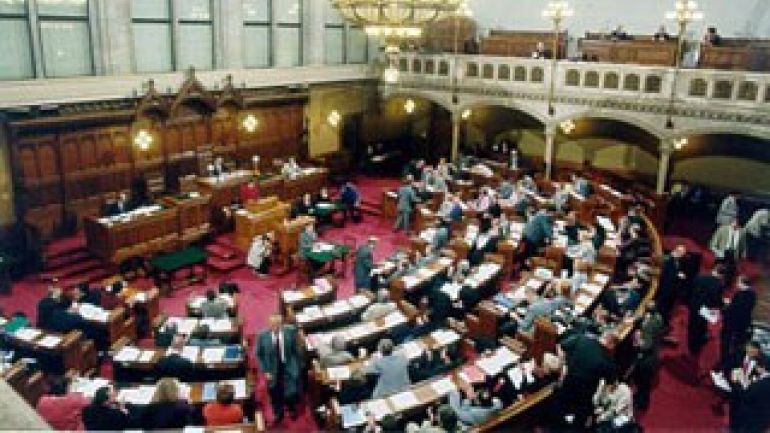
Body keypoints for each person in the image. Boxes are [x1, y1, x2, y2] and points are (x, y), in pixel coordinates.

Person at [556, 331, 618, 428]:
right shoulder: (608, 360)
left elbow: (560, 346)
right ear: (612, 344)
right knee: (577, 424)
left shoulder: (581, 338)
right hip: (584, 397)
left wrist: (563, 368)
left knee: (559, 416)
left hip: (567, 385)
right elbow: (611, 386)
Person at [255, 314, 301, 424]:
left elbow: (296, 350)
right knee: (275, 394)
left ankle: (291, 409)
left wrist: (296, 366)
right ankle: (278, 413)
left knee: (291, 392)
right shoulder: (262, 336)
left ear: (281, 324)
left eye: (278, 325)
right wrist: (265, 371)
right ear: (269, 324)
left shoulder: (290, 331)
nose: (275, 327)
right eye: (273, 325)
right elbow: (259, 355)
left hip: (288, 367)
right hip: (271, 371)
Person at [719, 275, 757, 370]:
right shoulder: (753, 294)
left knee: (726, 341)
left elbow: (733, 310)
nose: (736, 284)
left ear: (742, 283)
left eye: (738, 282)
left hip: (732, 323)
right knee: (738, 343)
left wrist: (726, 307)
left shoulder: (739, 295)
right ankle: (735, 358)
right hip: (744, 323)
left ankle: (725, 360)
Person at [632, 301, 664, 411]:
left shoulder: (650, 324)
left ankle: (642, 404)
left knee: (643, 383)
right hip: (654, 355)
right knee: (642, 383)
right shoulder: (658, 317)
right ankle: (640, 399)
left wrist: (636, 338)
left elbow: (646, 345)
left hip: (647, 359)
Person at [688, 265, 725, 354]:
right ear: (721, 275)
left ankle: (690, 344)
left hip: (694, 306)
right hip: (705, 310)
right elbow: (716, 301)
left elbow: (691, 291)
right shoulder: (718, 285)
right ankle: (697, 347)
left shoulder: (700, 277)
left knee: (692, 324)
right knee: (701, 327)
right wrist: (722, 303)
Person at [657, 244, 688, 328]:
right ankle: (660, 324)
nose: (682, 255)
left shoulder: (678, 261)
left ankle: (664, 324)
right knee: (662, 307)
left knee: (668, 308)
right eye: (681, 252)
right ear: (676, 251)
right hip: (665, 288)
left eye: (683, 253)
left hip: (672, 289)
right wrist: (677, 275)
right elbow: (665, 274)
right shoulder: (668, 259)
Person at [710, 218, 747, 283]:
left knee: (730, 273)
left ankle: (726, 283)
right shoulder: (722, 229)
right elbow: (712, 244)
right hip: (722, 253)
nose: (735, 226)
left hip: (734, 255)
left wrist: (743, 255)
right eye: (734, 223)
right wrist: (718, 252)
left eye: (738, 225)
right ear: (731, 222)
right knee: (718, 270)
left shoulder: (742, 232)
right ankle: (713, 281)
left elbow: (743, 245)